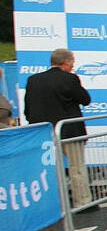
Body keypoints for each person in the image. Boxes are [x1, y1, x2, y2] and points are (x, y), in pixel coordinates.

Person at [23, 48, 92, 208]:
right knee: (77, 168)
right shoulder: (70, 79)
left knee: (46, 170)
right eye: (72, 62)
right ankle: (82, 202)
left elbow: (28, 108)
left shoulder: (33, 80)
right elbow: (85, 99)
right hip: (69, 131)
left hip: (43, 132)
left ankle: (49, 203)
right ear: (66, 62)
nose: (73, 65)